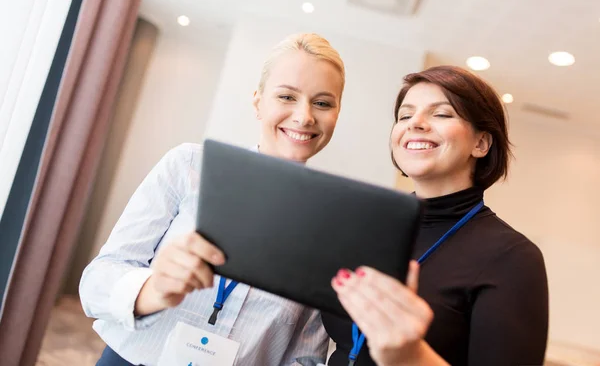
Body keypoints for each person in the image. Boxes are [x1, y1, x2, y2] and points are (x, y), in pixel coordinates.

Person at [80, 32, 346, 366]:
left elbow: (305, 354)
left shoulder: (333, 226)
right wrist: (153, 289)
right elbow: (96, 283)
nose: (305, 116)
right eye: (287, 96)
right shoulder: (189, 166)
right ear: (258, 102)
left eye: (322, 102)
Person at [323, 66, 549, 366]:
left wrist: (410, 356)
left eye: (441, 114)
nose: (415, 123)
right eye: (405, 116)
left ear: (481, 143)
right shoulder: (368, 227)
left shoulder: (513, 258)